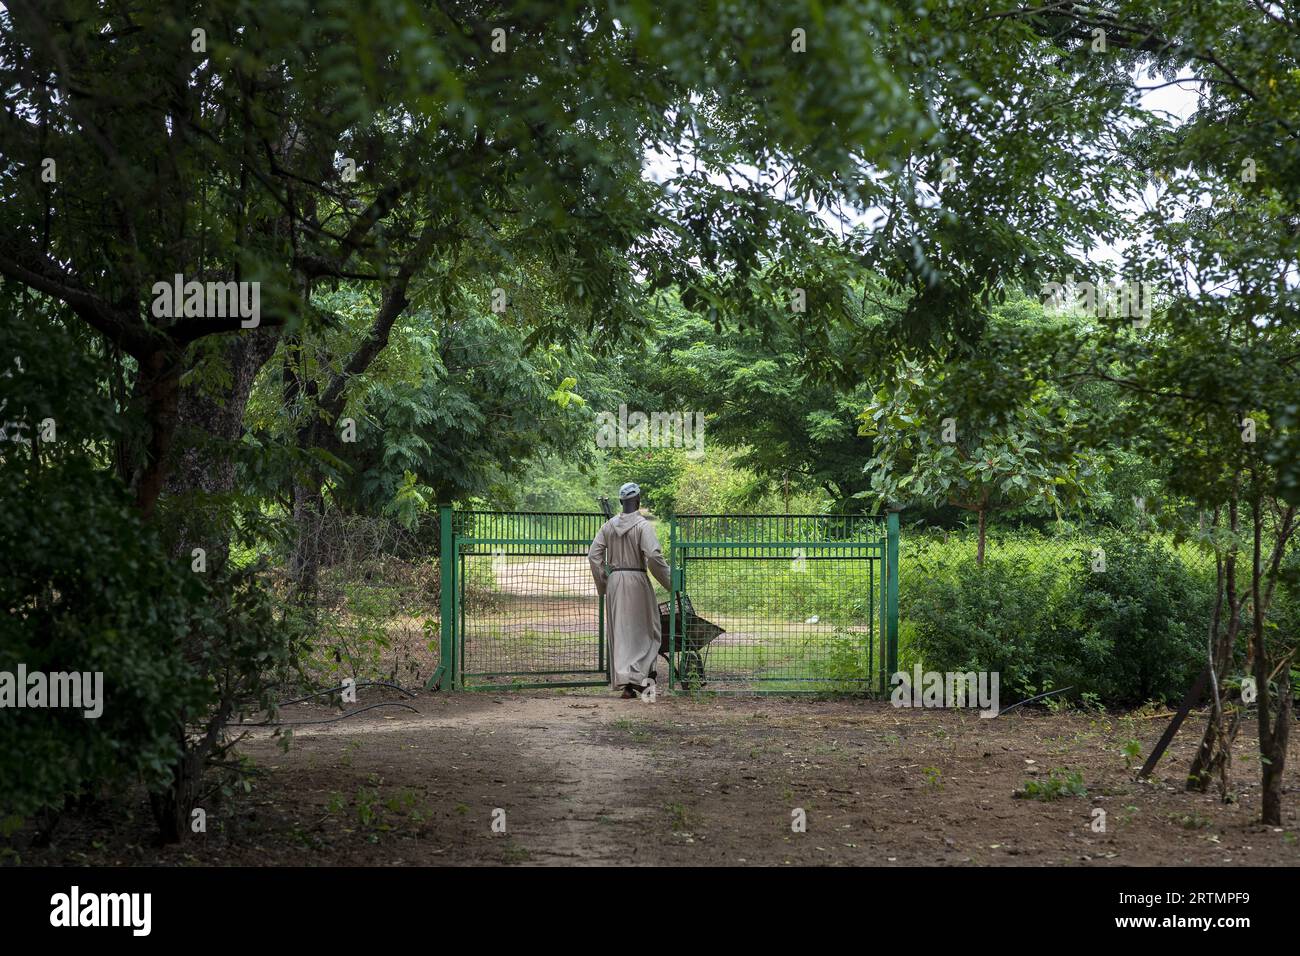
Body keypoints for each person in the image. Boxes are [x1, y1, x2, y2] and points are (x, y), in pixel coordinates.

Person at [587, 482, 672, 698]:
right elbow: (653, 556)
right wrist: (670, 582)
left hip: (616, 581)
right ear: (638, 501)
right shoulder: (643, 526)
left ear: (620, 502)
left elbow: (593, 556)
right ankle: (642, 679)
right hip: (637, 578)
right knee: (646, 630)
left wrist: (604, 582)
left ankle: (626, 683)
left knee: (621, 632)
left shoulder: (608, 526)